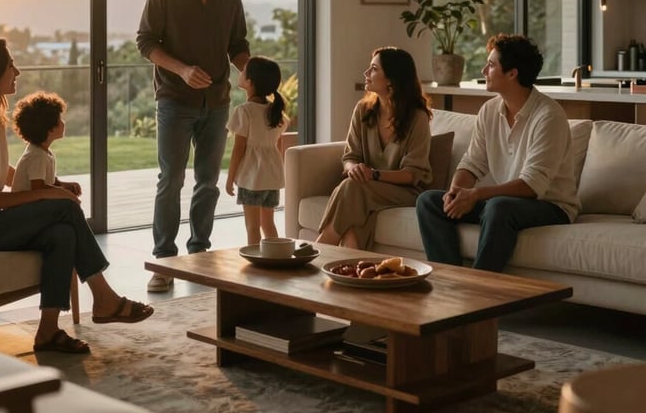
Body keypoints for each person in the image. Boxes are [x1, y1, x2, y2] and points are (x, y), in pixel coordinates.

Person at [0, 37, 153, 355]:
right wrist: (42, 196)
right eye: (10, 66)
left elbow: (0, 173)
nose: (17, 71)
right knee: (62, 208)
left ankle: (48, 331)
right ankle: (104, 298)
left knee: (61, 233)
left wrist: (53, 185)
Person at [136, 0, 250, 292]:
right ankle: (164, 262)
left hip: (217, 102)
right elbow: (146, 41)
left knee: (208, 182)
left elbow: (237, 44)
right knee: (171, 179)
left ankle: (199, 253)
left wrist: (252, 73)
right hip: (174, 99)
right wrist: (182, 70)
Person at [415, 34, 579, 272]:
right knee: (429, 202)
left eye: (491, 65)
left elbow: (532, 186)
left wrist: (476, 195)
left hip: (551, 206)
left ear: (512, 73)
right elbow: (472, 162)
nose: (484, 70)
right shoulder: (489, 110)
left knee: (497, 207)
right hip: (507, 205)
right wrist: (456, 192)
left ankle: (482, 289)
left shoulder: (548, 116)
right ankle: (450, 281)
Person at [316, 47, 433, 250]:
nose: (366, 74)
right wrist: (353, 168)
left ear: (391, 79)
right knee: (354, 214)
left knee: (352, 187)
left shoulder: (417, 118)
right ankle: (347, 267)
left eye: (373, 69)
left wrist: (373, 175)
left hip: (405, 192)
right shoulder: (363, 110)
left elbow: (411, 175)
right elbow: (350, 156)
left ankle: (320, 247)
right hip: (366, 188)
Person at [225, 56, 289, 246]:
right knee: (268, 225)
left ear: (250, 82)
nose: (240, 73)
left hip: (252, 178)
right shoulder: (276, 113)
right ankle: (277, 260)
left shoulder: (244, 111)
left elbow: (239, 149)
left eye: (243, 71)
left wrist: (230, 179)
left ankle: (255, 267)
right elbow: (277, 146)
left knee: (252, 227)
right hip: (272, 177)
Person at [10, 91, 81, 195]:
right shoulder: (37, 156)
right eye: (60, 119)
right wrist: (63, 192)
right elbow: (38, 188)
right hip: (24, 208)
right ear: (50, 129)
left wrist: (65, 186)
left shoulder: (44, 152)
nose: (63, 122)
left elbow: (49, 182)